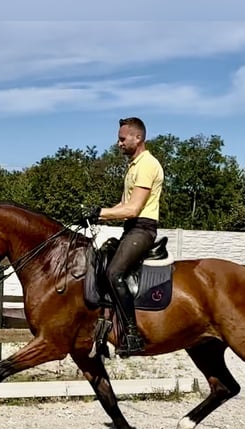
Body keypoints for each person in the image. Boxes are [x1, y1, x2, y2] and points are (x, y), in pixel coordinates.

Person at [81, 116, 164, 356]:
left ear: (138, 138)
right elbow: (123, 204)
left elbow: (133, 209)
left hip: (142, 229)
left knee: (114, 272)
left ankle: (132, 333)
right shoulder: (133, 166)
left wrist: (100, 212)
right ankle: (104, 326)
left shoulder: (147, 165)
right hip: (131, 228)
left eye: (122, 139)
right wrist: (96, 216)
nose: (118, 143)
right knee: (100, 263)